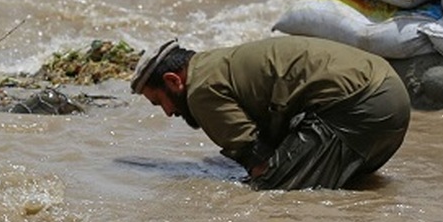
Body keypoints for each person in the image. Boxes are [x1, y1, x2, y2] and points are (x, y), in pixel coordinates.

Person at [129, 35, 411, 190]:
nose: (167, 113)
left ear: (173, 81)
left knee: (269, 194)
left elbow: (257, 160)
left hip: (361, 105)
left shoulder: (201, 90)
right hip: (390, 96)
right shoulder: (214, 64)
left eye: (159, 102)